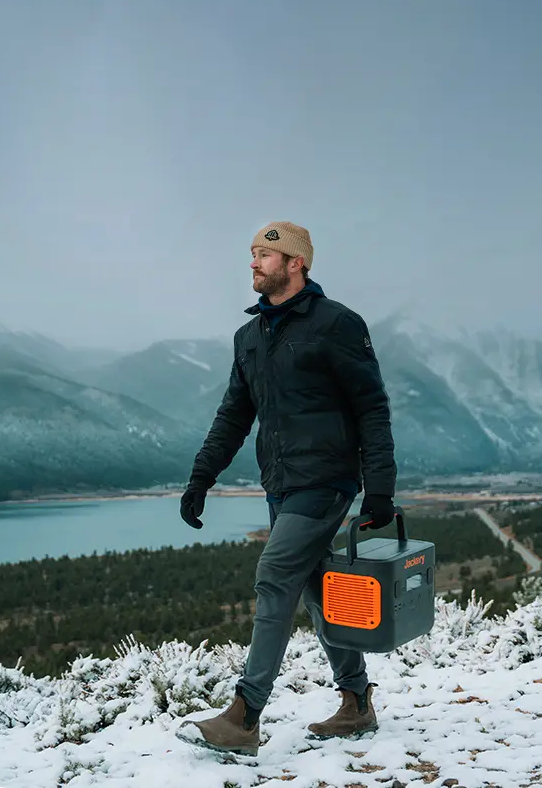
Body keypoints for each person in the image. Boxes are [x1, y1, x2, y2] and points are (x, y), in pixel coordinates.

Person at [179, 221, 396, 757]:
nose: (253, 263)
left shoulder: (336, 324)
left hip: (326, 479)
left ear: (296, 263)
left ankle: (245, 715)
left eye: (265, 254)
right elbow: (234, 416)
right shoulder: (250, 337)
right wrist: (201, 478)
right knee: (316, 588)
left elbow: (371, 407)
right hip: (280, 484)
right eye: (252, 253)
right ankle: (356, 702)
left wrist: (379, 489)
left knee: (275, 574)